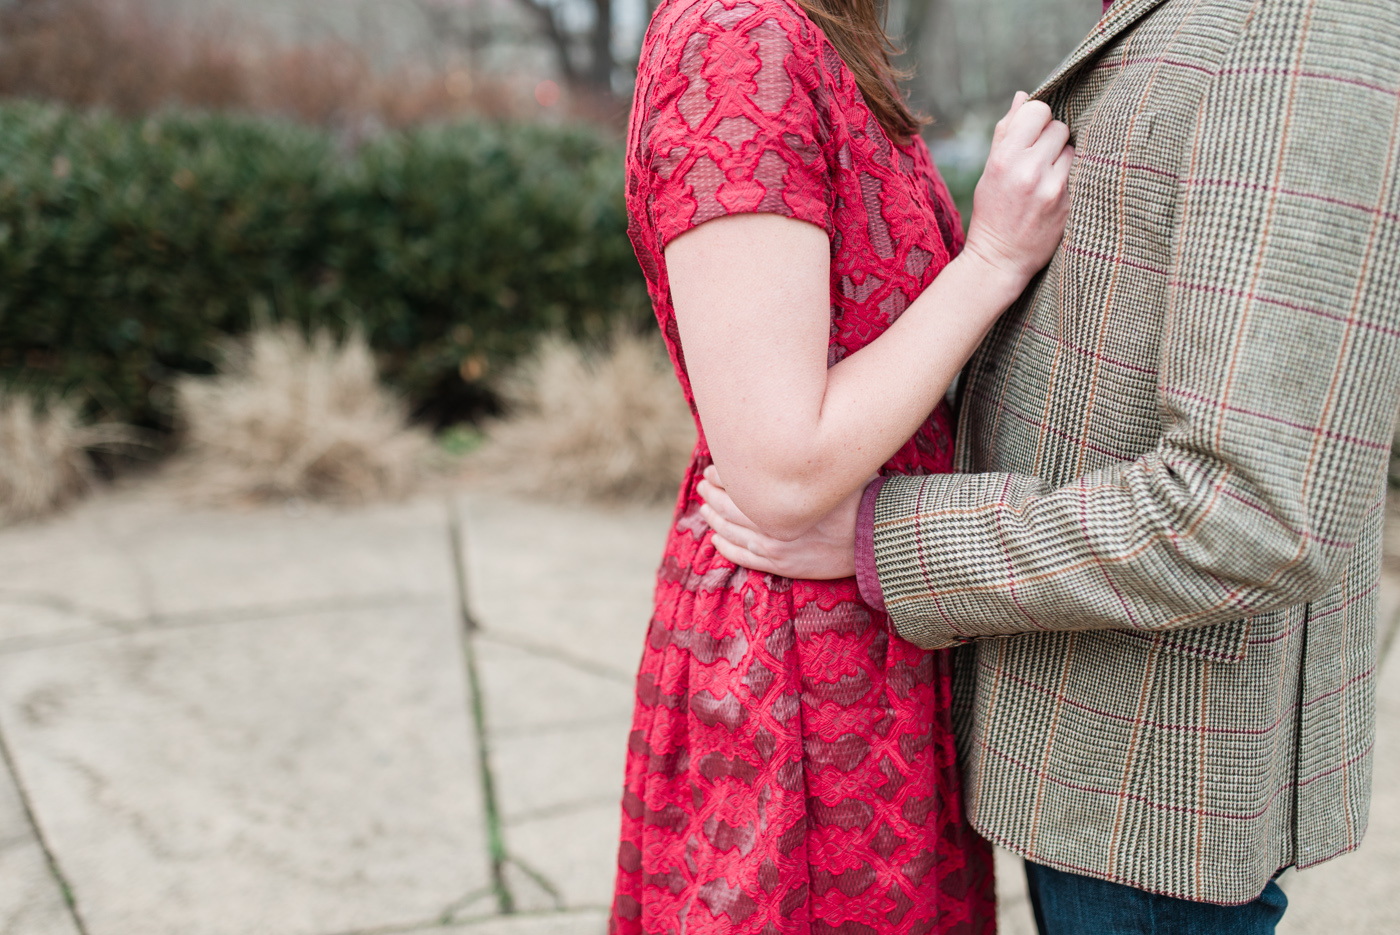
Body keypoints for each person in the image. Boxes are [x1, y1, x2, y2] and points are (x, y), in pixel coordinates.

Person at [696, 0, 1400, 932]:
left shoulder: (1305, 27)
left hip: (1161, 771)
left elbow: (1253, 510)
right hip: (1087, 746)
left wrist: (895, 538)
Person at [611, 0, 1077, 930]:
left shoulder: (816, 31)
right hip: (798, 686)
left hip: (868, 645)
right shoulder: (740, 44)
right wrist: (990, 258)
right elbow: (781, 469)